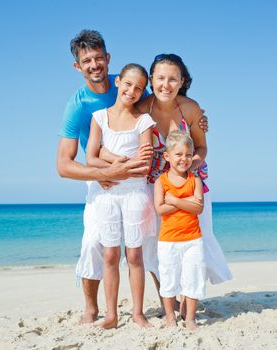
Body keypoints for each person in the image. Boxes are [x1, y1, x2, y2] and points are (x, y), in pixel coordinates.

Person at [57, 29, 208, 324]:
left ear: (108, 59)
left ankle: (166, 301)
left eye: (99, 58)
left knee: (146, 243)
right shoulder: (78, 105)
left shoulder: (130, 84)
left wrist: (198, 118)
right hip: (100, 176)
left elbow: (167, 99)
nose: (94, 65)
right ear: (78, 66)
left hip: (135, 179)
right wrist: (105, 170)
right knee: (93, 244)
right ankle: (92, 307)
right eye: (87, 61)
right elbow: (64, 164)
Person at [137, 54, 232, 316]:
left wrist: (185, 172)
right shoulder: (141, 107)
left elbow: (201, 147)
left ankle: (189, 303)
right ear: (151, 80)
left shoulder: (190, 108)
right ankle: (170, 301)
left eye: (172, 79)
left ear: (182, 82)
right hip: (153, 185)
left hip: (191, 183)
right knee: (155, 244)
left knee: (198, 240)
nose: (165, 84)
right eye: (160, 78)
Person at [85, 63, 156, 329]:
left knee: (135, 256)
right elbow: (90, 156)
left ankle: (138, 313)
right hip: (107, 194)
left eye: (139, 88)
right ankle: (111, 315)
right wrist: (114, 161)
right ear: (118, 82)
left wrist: (110, 157)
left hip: (135, 194)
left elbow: (145, 164)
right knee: (110, 255)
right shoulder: (99, 117)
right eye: (128, 84)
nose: (132, 91)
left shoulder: (144, 121)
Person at [154, 130, 205, 330]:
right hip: (168, 241)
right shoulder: (161, 181)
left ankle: (190, 317)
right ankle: (170, 318)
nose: (184, 159)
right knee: (168, 278)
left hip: (193, 240)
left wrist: (174, 200)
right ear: (167, 156)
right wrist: (188, 201)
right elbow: (160, 209)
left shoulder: (195, 180)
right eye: (179, 154)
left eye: (188, 154)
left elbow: (198, 208)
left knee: (193, 277)